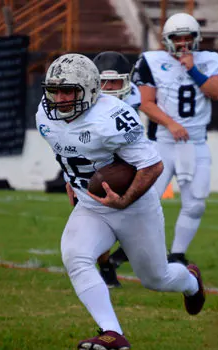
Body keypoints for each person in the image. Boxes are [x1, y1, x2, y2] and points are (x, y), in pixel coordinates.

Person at [36, 53, 205, 349]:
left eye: (69, 91)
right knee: (75, 256)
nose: (60, 98)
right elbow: (67, 152)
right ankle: (112, 334)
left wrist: (124, 199)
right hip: (92, 203)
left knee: (157, 278)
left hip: (134, 206)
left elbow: (152, 166)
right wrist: (70, 181)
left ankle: (191, 281)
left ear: (89, 89)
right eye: (55, 90)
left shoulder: (112, 116)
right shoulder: (44, 115)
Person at [132, 12, 218, 266]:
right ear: (167, 39)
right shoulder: (151, 61)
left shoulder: (209, 61)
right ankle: (136, 251)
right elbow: (145, 102)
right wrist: (170, 123)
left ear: (197, 38)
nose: (183, 42)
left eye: (188, 37)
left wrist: (193, 69)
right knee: (146, 202)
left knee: (196, 203)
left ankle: (176, 255)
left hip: (195, 143)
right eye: (178, 37)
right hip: (161, 142)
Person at [92, 51, 139, 289]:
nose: (109, 87)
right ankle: (106, 266)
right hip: (97, 166)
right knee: (99, 223)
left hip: (130, 162)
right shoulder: (86, 101)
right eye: (103, 82)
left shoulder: (135, 97)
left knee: (140, 221)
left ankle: (126, 251)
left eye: (115, 81)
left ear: (127, 80)